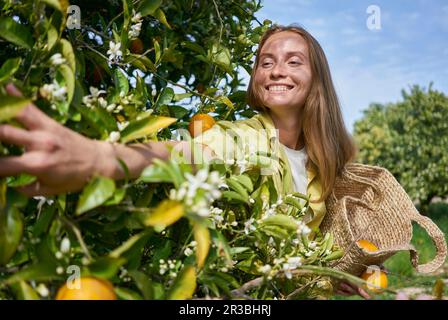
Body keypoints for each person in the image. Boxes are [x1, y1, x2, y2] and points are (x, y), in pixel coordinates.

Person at [0, 24, 370, 299]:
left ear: (316, 77)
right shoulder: (245, 138)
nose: (276, 70)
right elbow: (184, 153)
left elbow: (314, 239)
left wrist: (332, 273)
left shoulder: (325, 159)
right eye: (265, 62)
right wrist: (102, 158)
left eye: (294, 61)